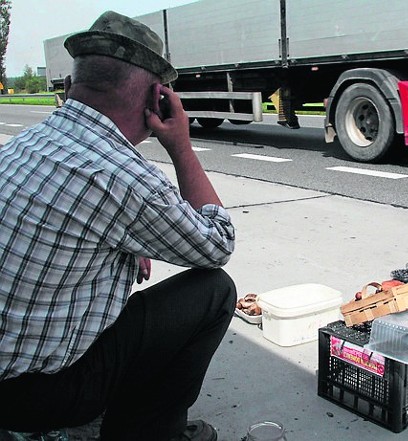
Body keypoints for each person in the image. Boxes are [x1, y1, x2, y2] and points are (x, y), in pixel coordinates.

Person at [0, 11, 236, 441]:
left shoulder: (25, 144)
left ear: (69, 88)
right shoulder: (122, 176)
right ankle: (149, 432)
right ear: (156, 99)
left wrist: (131, 241)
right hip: (31, 395)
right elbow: (217, 243)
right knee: (214, 291)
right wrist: (180, 145)